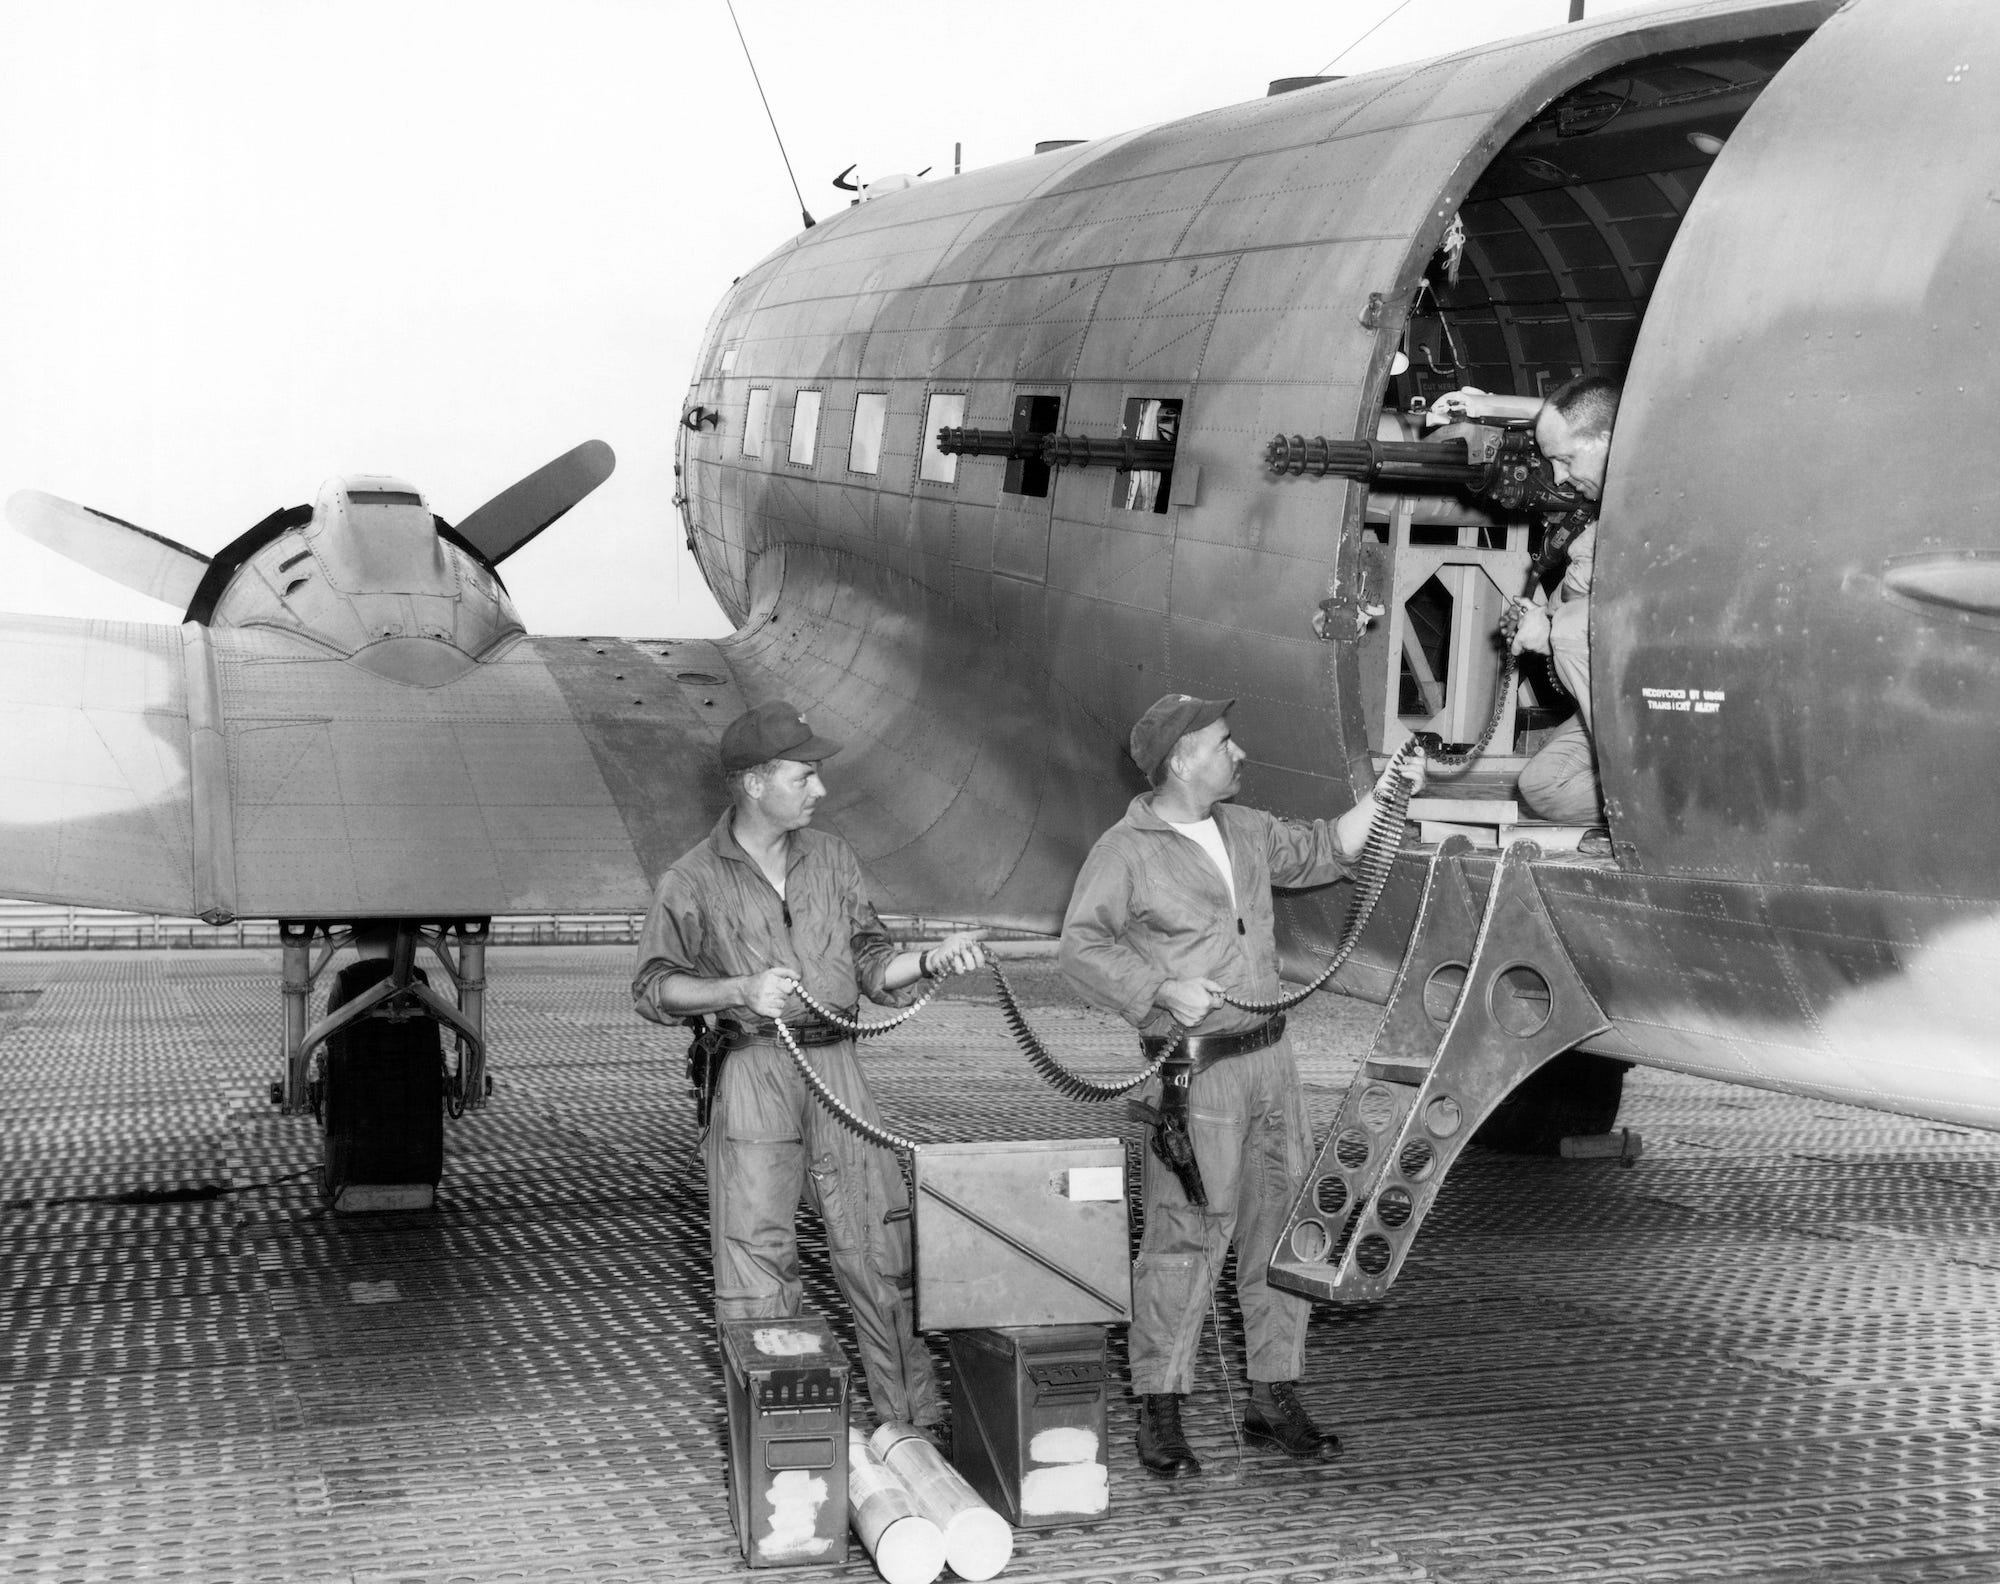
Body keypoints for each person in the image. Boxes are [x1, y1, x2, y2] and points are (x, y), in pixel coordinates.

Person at [1059, 694, 1422, 1478]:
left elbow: (1329, 849)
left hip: (1269, 1062)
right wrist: (1160, 986)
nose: (1240, 753)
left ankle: (1272, 1396)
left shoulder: (1246, 829)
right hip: (1198, 1073)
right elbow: (1081, 947)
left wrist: (1389, 787)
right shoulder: (1126, 851)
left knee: (1283, 1230)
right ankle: (1161, 1409)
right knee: (1184, 1239)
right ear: (1183, 760)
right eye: (1225, 743)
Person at [632, 699, 986, 1436]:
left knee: (879, 1249)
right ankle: (787, 1445)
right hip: (753, 1072)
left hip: (836, 1068)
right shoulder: (690, 879)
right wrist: (737, 990)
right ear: (755, 783)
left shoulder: (831, 858)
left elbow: (868, 958)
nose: (819, 790)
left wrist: (929, 959)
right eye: (805, 775)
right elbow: (655, 987)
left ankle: (911, 1430)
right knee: (759, 1265)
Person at [1509, 374, 1620, 824]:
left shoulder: (1660, 501)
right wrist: (1539, 622)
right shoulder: (1596, 529)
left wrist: (1556, 629)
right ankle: (1629, 806)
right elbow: (1568, 602)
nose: (1559, 477)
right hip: (1624, 699)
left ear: (1607, 440)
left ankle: (1653, 799)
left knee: (1575, 630)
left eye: (1566, 459)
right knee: (1540, 786)